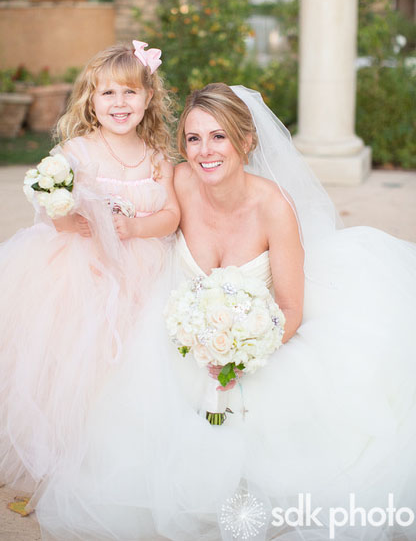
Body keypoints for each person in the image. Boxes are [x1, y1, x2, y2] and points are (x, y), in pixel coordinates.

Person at [25, 83, 416, 541]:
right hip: (180, 335)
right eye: (193, 138)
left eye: (219, 137)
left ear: (246, 142)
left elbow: (290, 308)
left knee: (286, 454)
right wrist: (61, 193)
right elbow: (117, 189)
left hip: (260, 344)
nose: (204, 151)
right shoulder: (177, 182)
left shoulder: (274, 208)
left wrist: (239, 355)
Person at [0, 41, 180, 498]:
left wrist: (133, 227)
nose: (120, 103)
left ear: (149, 98)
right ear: (91, 101)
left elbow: (172, 216)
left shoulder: (157, 158)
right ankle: (70, 449)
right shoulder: (76, 152)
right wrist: (65, 212)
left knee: (133, 362)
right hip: (80, 270)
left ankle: (118, 447)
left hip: (142, 268)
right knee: (76, 362)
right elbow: (54, 211)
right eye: (108, 94)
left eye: (130, 93)